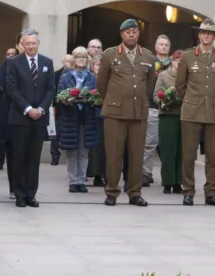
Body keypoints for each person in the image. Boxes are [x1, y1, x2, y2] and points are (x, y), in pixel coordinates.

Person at [97, 19, 156, 207]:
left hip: (138, 112)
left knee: (137, 154)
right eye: (127, 32)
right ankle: (112, 191)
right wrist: (114, 99)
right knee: (114, 154)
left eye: (134, 31)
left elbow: (149, 84)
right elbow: (101, 84)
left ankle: (134, 192)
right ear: (121, 34)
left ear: (139, 34)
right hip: (115, 112)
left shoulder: (147, 56)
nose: (131, 35)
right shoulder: (110, 55)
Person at [175, 19, 215, 207]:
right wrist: (192, 100)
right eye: (203, 33)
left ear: (214, 37)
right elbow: (180, 85)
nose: (206, 36)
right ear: (199, 35)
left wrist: (212, 100)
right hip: (192, 110)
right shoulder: (188, 56)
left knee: (213, 155)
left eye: (210, 33)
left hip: (214, 112)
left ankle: (211, 192)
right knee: (189, 154)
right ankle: (188, 191)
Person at [6, 28, 56, 208]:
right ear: (22, 44)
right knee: (19, 157)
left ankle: (31, 194)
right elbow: (11, 89)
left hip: (40, 118)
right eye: (27, 44)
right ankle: (19, 194)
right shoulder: (13, 63)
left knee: (34, 159)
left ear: (38, 44)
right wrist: (28, 109)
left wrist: (42, 109)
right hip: (20, 118)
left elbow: (51, 88)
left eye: (33, 43)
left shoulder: (46, 62)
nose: (30, 47)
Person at [58, 47, 98, 192]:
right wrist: (65, 100)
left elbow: (97, 97)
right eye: (78, 57)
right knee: (72, 151)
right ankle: (73, 180)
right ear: (73, 59)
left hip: (87, 118)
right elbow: (59, 96)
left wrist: (92, 98)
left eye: (83, 57)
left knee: (83, 151)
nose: (81, 59)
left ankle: (81, 180)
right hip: (70, 118)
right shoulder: (65, 77)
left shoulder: (93, 77)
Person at [0, 36, 25, 198]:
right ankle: (14, 187)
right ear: (18, 45)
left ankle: (27, 187)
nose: (27, 46)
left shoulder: (41, 63)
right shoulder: (9, 63)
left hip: (31, 114)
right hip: (12, 111)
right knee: (13, 152)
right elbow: (2, 86)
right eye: (23, 43)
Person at [142, 35, 172, 187]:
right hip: (152, 107)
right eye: (161, 44)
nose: (164, 47)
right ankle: (146, 173)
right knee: (150, 143)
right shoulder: (150, 63)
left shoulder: (174, 63)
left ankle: (168, 175)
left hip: (170, 108)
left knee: (168, 145)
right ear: (156, 47)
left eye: (166, 45)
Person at [153, 50, 183, 194]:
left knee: (181, 150)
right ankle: (167, 182)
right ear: (172, 61)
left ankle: (178, 181)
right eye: (178, 61)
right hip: (167, 115)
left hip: (183, 116)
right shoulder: (163, 76)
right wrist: (163, 101)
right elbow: (155, 94)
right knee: (168, 150)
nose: (179, 64)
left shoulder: (187, 76)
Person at [0, 47, 19, 171]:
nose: (10, 55)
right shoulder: (4, 67)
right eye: (8, 54)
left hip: (18, 109)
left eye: (12, 53)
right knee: (2, 140)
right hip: (4, 107)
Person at [51, 54, 74, 165]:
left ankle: (70, 157)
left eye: (71, 61)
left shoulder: (75, 75)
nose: (69, 64)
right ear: (63, 62)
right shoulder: (56, 74)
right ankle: (54, 156)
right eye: (67, 61)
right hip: (58, 108)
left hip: (71, 108)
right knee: (55, 134)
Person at [87, 55, 106, 187]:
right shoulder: (90, 78)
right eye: (97, 65)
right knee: (95, 148)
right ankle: (96, 174)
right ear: (93, 66)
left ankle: (105, 174)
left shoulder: (109, 79)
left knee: (106, 148)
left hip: (106, 116)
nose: (99, 68)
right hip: (93, 116)